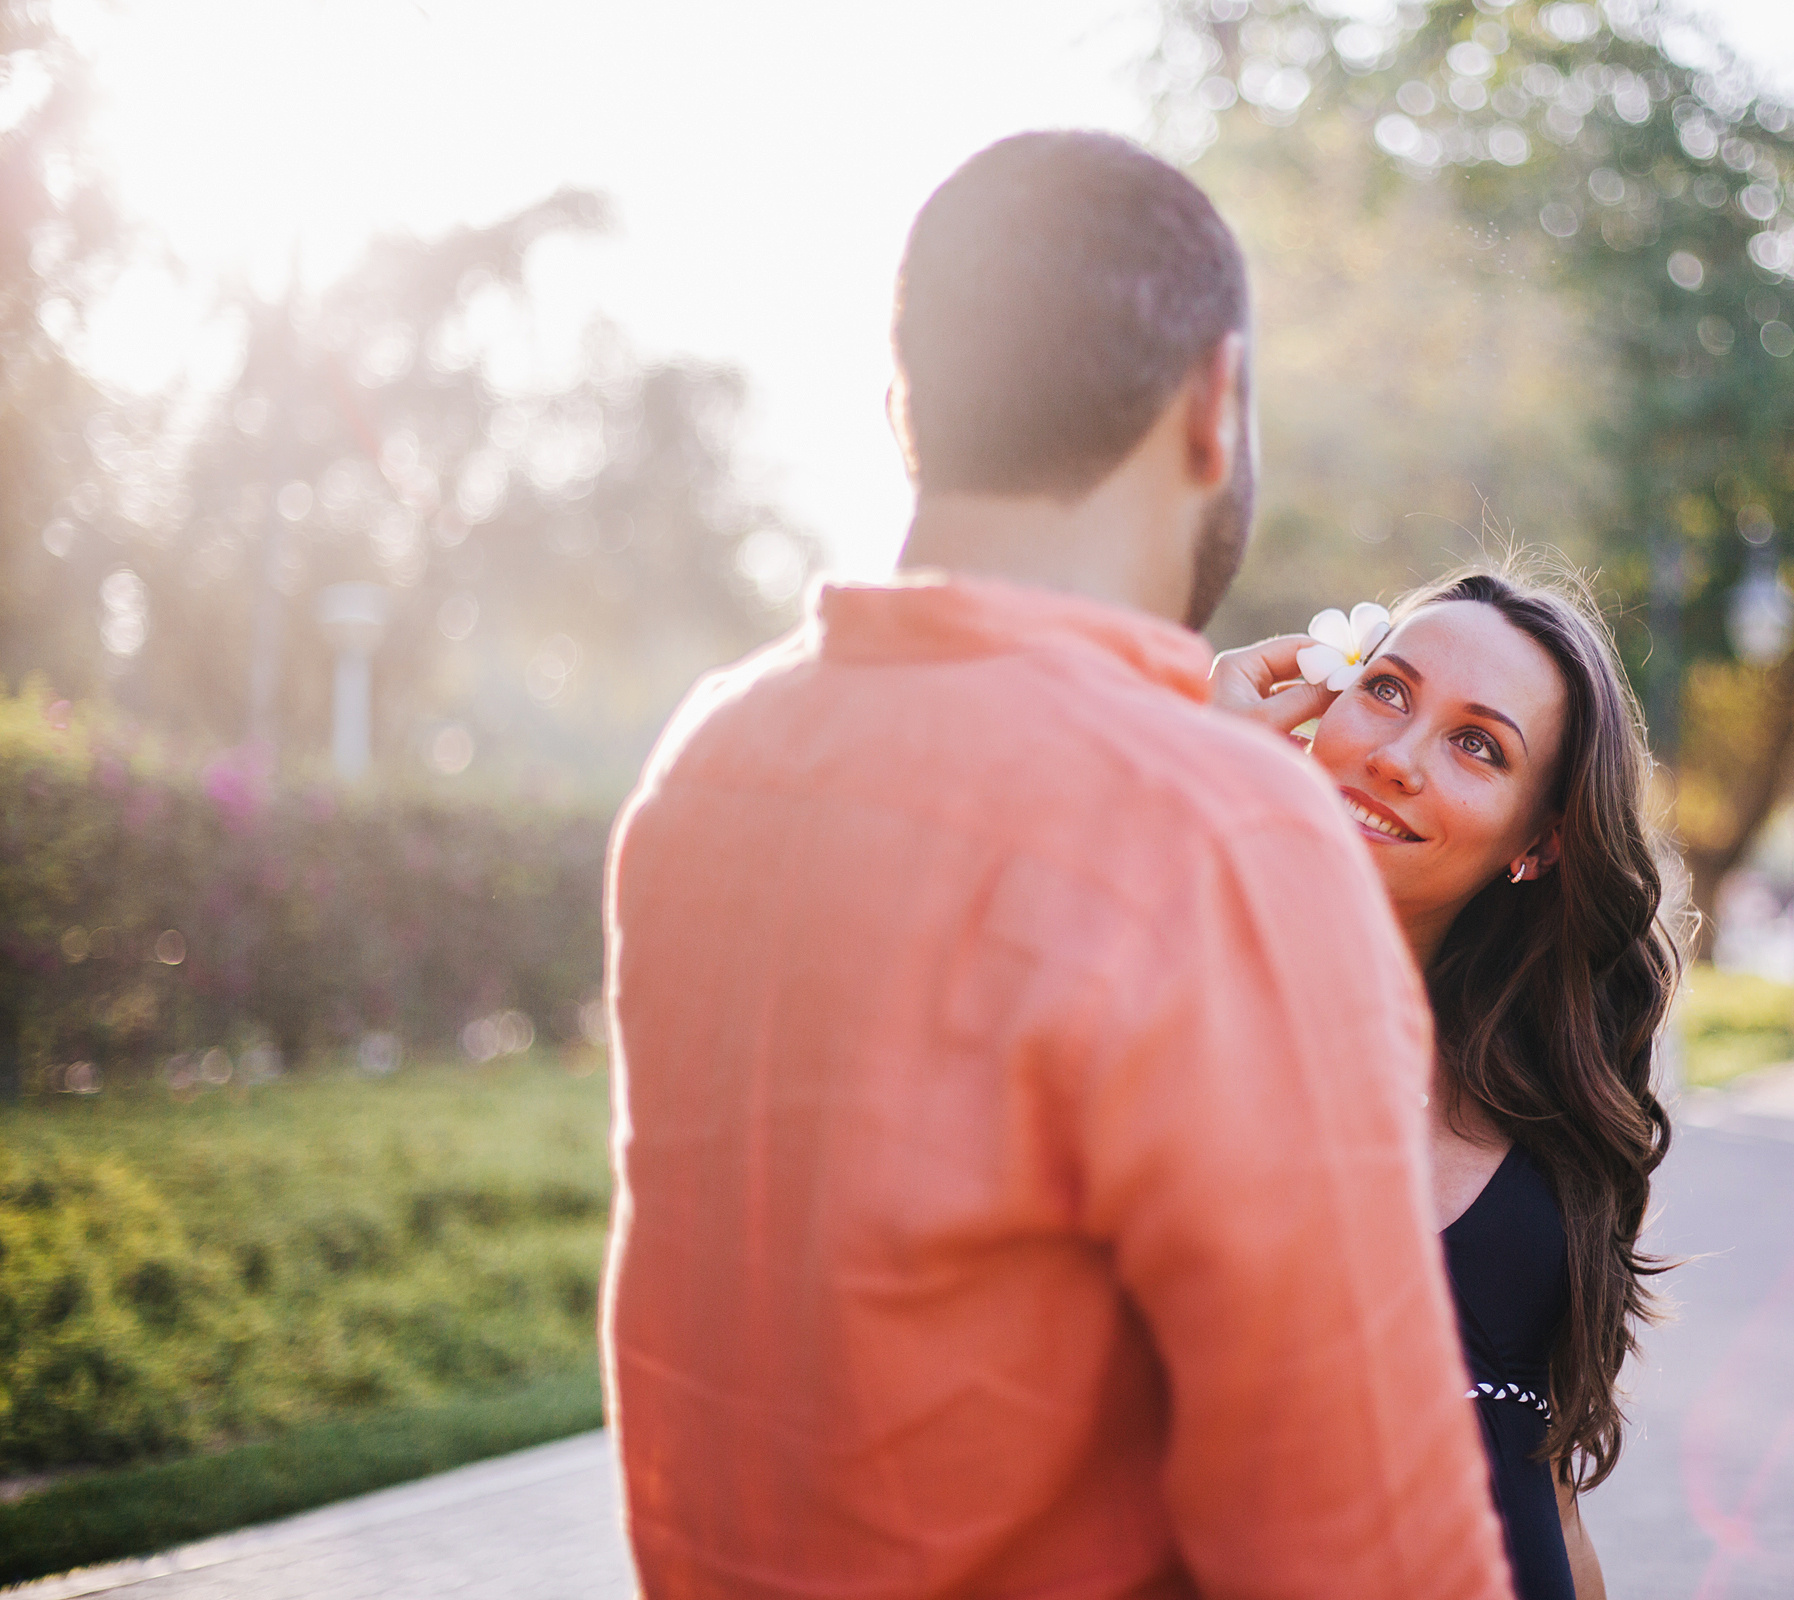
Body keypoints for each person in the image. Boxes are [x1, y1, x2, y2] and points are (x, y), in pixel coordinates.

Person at [602, 131, 1514, 1599]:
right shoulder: (1220, 839)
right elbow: (1370, 1561)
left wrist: (1172, 746)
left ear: (913, 404)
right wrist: (1195, 781)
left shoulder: (715, 759)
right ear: (1214, 402)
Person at [1213, 567, 1681, 1600]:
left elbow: (1550, 1492)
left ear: (1540, 840)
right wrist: (1208, 799)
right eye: (1385, 690)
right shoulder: (1180, 994)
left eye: (1479, 744)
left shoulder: (1549, 1097)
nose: (1396, 758)